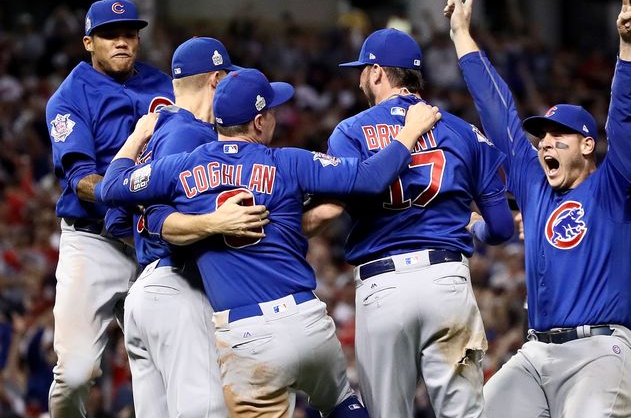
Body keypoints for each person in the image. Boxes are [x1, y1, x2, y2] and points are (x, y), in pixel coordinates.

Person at [99, 67, 441, 417]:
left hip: (247, 336)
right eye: (272, 111)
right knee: (342, 403)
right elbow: (370, 178)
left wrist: (138, 137)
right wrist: (410, 131)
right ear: (259, 123)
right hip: (306, 320)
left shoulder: (179, 168)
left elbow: (109, 188)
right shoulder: (288, 161)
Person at [445, 0, 631, 417]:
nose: (545, 145)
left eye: (559, 137)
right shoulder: (536, 186)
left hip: (597, 352)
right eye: (542, 138)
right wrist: (462, 35)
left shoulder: (615, 185)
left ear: (588, 146)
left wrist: (629, 51)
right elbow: (497, 112)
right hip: (536, 354)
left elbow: (625, 119)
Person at [313, 27, 514, 418]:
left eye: (362, 70)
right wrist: (474, 225)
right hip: (447, 281)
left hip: (382, 285)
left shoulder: (350, 132)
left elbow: (341, 203)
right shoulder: (462, 130)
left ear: (375, 73)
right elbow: (503, 228)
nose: (359, 79)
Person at [107, 37, 270, 417]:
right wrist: (209, 224)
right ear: (216, 80)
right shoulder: (193, 135)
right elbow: (158, 221)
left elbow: (119, 220)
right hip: (178, 287)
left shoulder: (160, 130)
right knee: (206, 411)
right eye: (228, 78)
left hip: (149, 291)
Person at [44, 0, 174, 418]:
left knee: (163, 367)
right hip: (93, 242)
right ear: (89, 42)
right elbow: (80, 179)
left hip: (152, 241)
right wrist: (131, 190)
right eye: (109, 34)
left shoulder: (163, 85)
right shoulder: (69, 97)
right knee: (76, 373)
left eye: (129, 34)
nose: (122, 41)